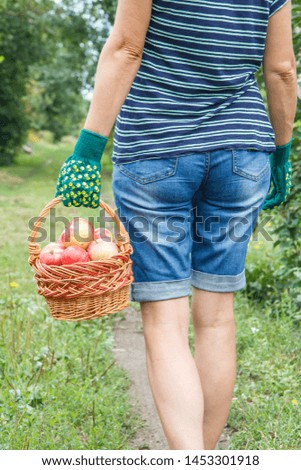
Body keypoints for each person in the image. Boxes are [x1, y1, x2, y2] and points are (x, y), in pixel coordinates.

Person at [55, 0, 298, 450]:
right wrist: (282, 150)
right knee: (217, 320)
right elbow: (282, 68)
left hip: (155, 147)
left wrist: (88, 148)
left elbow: (127, 47)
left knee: (166, 321)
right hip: (243, 154)